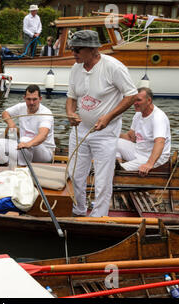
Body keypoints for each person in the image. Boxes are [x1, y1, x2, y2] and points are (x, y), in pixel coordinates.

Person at [66, 30, 137, 218]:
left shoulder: (113, 67)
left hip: (106, 132)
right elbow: (71, 97)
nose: (73, 53)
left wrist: (108, 117)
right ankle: (79, 211)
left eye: (77, 49)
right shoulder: (76, 68)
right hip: (80, 130)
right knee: (75, 174)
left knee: (103, 178)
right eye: (72, 49)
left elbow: (131, 95)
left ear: (93, 50)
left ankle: (98, 217)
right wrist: (70, 113)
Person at [0, 84, 55, 166]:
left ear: (40, 99)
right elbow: (5, 113)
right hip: (23, 147)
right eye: (28, 99)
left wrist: (28, 144)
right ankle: (7, 166)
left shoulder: (46, 113)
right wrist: (10, 123)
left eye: (34, 99)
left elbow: (43, 135)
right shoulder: (21, 107)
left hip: (45, 153)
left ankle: (22, 168)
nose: (31, 103)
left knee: (24, 140)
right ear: (24, 98)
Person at [116, 87, 171, 176]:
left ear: (149, 100)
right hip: (138, 150)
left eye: (138, 100)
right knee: (111, 141)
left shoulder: (158, 117)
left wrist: (149, 164)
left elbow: (160, 143)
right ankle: (117, 161)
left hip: (154, 157)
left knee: (121, 169)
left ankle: (119, 167)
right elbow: (131, 137)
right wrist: (110, 133)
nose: (135, 103)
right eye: (134, 100)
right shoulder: (138, 114)